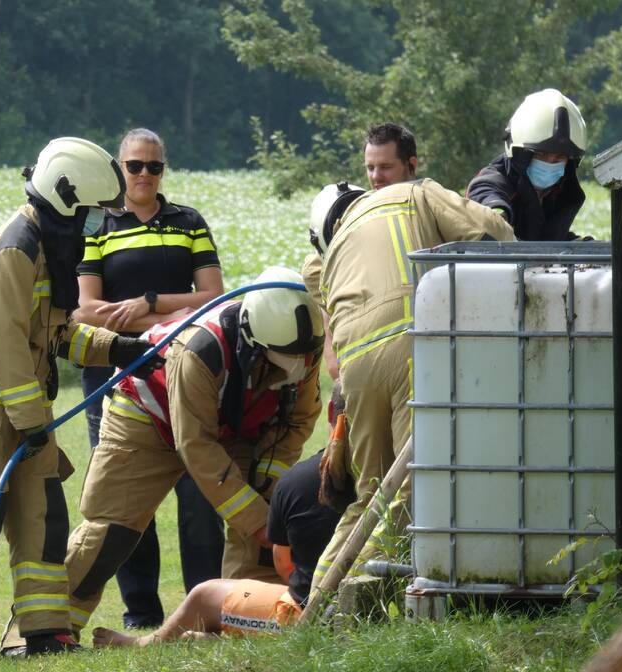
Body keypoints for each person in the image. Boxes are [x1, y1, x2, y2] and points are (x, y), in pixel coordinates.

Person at [0, 137, 163, 658]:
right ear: (64, 197)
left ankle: (43, 632)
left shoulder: (46, 246)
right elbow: (3, 341)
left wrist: (120, 348)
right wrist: (33, 418)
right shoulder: (16, 250)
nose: (93, 226)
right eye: (88, 213)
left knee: (42, 518)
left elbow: (53, 334)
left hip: (23, 408)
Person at [60, 266, 323, 642]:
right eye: (280, 360)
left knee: (268, 517)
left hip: (238, 425)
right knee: (111, 529)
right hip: (149, 415)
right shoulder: (200, 349)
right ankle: (48, 629)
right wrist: (253, 516)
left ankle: (245, 626)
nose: (296, 369)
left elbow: (297, 421)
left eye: (302, 358)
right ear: (252, 338)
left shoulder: (302, 347)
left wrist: (265, 489)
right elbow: (196, 444)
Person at [309, 176, 516, 595]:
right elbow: (494, 233)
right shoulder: (413, 192)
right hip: (411, 347)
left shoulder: (328, 258)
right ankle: (351, 600)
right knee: (412, 485)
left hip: (357, 371)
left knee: (370, 493)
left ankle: (316, 599)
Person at [74, 128, 226, 629]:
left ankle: (206, 608)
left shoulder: (189, 222)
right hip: (112, 374)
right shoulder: (97, 223)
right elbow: (86, 311)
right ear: (119, 167)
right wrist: (162, 319)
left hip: (183, 371)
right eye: (135, 166)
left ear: (164, 170)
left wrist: (150, 306)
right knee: (124, 500)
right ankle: (141, 613)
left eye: (154, 167)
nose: (144, 175)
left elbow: (214, 295)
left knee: (198, 493)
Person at [91, 449, 341, 647]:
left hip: (310, 616)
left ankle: (146, 643)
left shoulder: (297, 480)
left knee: (204, 594)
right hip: (369, 609)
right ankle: (220, 641)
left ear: (332, 412)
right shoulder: (378, 474)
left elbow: (283, 564)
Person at [301, 122, 417, 381]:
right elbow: (325, 289)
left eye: (386, 167)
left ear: (411, 164)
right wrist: (335, 357)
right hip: (365, 358)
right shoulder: (349, 220)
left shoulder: (424, 206)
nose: (376, 177)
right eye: (370, 168)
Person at [466, 88, 588, 241]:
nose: (550, 163)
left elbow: (547, 240)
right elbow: (489, 210)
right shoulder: (491, 182)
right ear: (519, 154)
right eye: (540, 154)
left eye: (560, 157)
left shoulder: (560, 192)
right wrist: (498, 216)